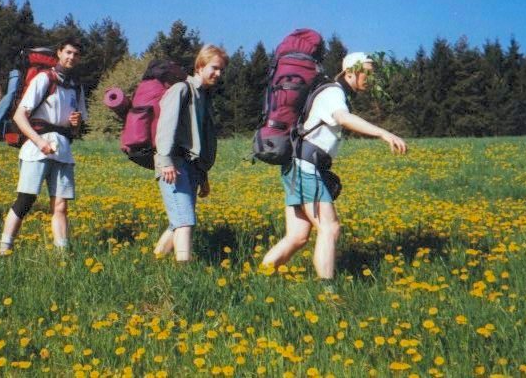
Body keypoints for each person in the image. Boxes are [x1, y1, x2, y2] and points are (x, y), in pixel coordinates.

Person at [261, 52, 407, 286]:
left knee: (297, 236)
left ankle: (261, 277)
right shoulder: (333, 92)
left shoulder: (334, 92)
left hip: (298, 165)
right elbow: (343, 118)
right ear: (349, 72)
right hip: (305, 166)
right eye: (366, 73)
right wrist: (383, 133)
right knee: (330, 227)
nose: (370, 79)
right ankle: (327, 293)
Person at [0, 41, 87, 254]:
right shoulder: (44, 78)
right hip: (36, 148)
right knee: (25, 200)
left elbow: (76, 128)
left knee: (60, 205)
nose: (71, 57)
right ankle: (4, 250)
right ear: (59, 53)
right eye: (68, 52)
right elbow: (19, 116)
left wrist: (76, 124)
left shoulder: (76, 87)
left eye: (76, 54)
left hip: (63, 150)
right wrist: (39, 142)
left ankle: (62, 256)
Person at [152, 45, 229, 262]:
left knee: (178, 222)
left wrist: (203, 174)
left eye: (222, 70)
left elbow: (200, 140)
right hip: (174, 164)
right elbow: (165, 127)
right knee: (185, 222)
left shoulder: (204, 96)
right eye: (214, 68)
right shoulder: (182, 89)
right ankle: (183, 273)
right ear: (200, 66)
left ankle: (155, 262)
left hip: (192, 167)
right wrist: (165, 161)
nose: (218, 74)